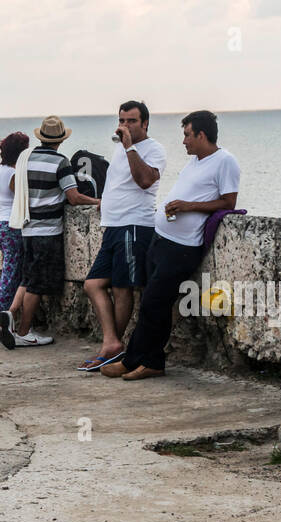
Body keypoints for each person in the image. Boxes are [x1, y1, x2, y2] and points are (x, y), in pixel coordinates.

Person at [101, 110, 240, 380]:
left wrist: (188, 206)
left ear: (201, 134)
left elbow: (229, 202)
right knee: (154, 304)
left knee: (154, 302)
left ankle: (145, 361)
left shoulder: (225, 161)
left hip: (183, 246)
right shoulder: (195, 162)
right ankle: (138, 361)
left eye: (187, 135)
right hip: (162, 240)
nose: (184, 141)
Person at [80, 101, 167, 371]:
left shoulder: (153, 149)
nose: (124, 126)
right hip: (113, 225)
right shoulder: (120, 149)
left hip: (134, 225)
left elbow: (144, 181)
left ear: (145, 123)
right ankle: (112, 342)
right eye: (121, 120)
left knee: (121, 287)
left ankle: (111, 349)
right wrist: (104, 201)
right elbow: (119, 183)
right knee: (92, 284)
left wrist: (129, 146)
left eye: (131, 121)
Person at [14, 116, 101, 347]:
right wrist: (98, 201)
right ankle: (23, 331)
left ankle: (12, 320)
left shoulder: (27, 159)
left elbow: (15, 186)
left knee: (30, 277)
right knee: (37, 284)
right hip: (48, 230)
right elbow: (73, 197)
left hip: (27, 229)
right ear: (60, 140)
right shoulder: (61, 162)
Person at [0, 132, 29, 347]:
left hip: (1, 226)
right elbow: (23, 199)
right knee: (10, 281)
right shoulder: (13, 174)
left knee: (9, 278)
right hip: (13, 229)